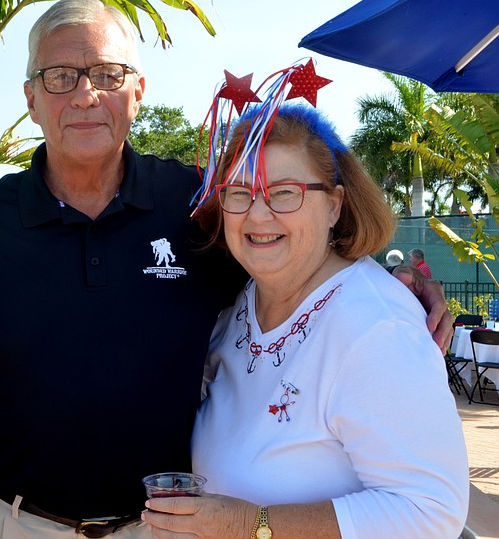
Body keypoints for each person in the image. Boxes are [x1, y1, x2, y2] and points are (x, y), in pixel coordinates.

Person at [0, 0, 452, 539]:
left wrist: (391, 283)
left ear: (137, 91)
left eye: (107, 74)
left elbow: (288, 258)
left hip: (163, 528)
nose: (85, 94)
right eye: (61, 76)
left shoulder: (197, 204)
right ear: (31, 98)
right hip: (16, 522)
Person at [141, 97, 469, 538]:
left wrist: (248, 524)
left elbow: (430, 511)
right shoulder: (241, 301)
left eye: (284, 192)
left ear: (334, 205)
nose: (258, 214)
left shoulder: (377, 327)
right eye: (239, 192)